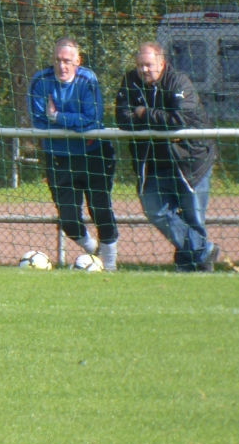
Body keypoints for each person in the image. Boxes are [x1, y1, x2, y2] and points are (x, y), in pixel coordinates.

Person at [115, 41, 219, 272]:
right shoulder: (130, 81)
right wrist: (159, 123)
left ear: (161, 64)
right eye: (139, 65)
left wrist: (143, 112)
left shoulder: (179, 82)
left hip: (190, 160)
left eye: (148, 65)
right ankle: (203, 251)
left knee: (193, 218)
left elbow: (179, 120)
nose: (143, 70)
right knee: (154, 209)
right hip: (154, 163)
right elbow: (123, 119)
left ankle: (192, 268)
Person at [28, 38, 119, 270]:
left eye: (67, 60)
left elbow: (92, 120)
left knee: (100, 210)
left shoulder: (87, 80)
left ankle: (110, 268)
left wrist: (57, 117)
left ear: (78, 61)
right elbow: (39, 123)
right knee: (68, 219)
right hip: (58, 157)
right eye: (57, 60)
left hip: (93, 154)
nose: (62, 66)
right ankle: (93, 250)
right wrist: (72, 123)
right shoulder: (40, 81)